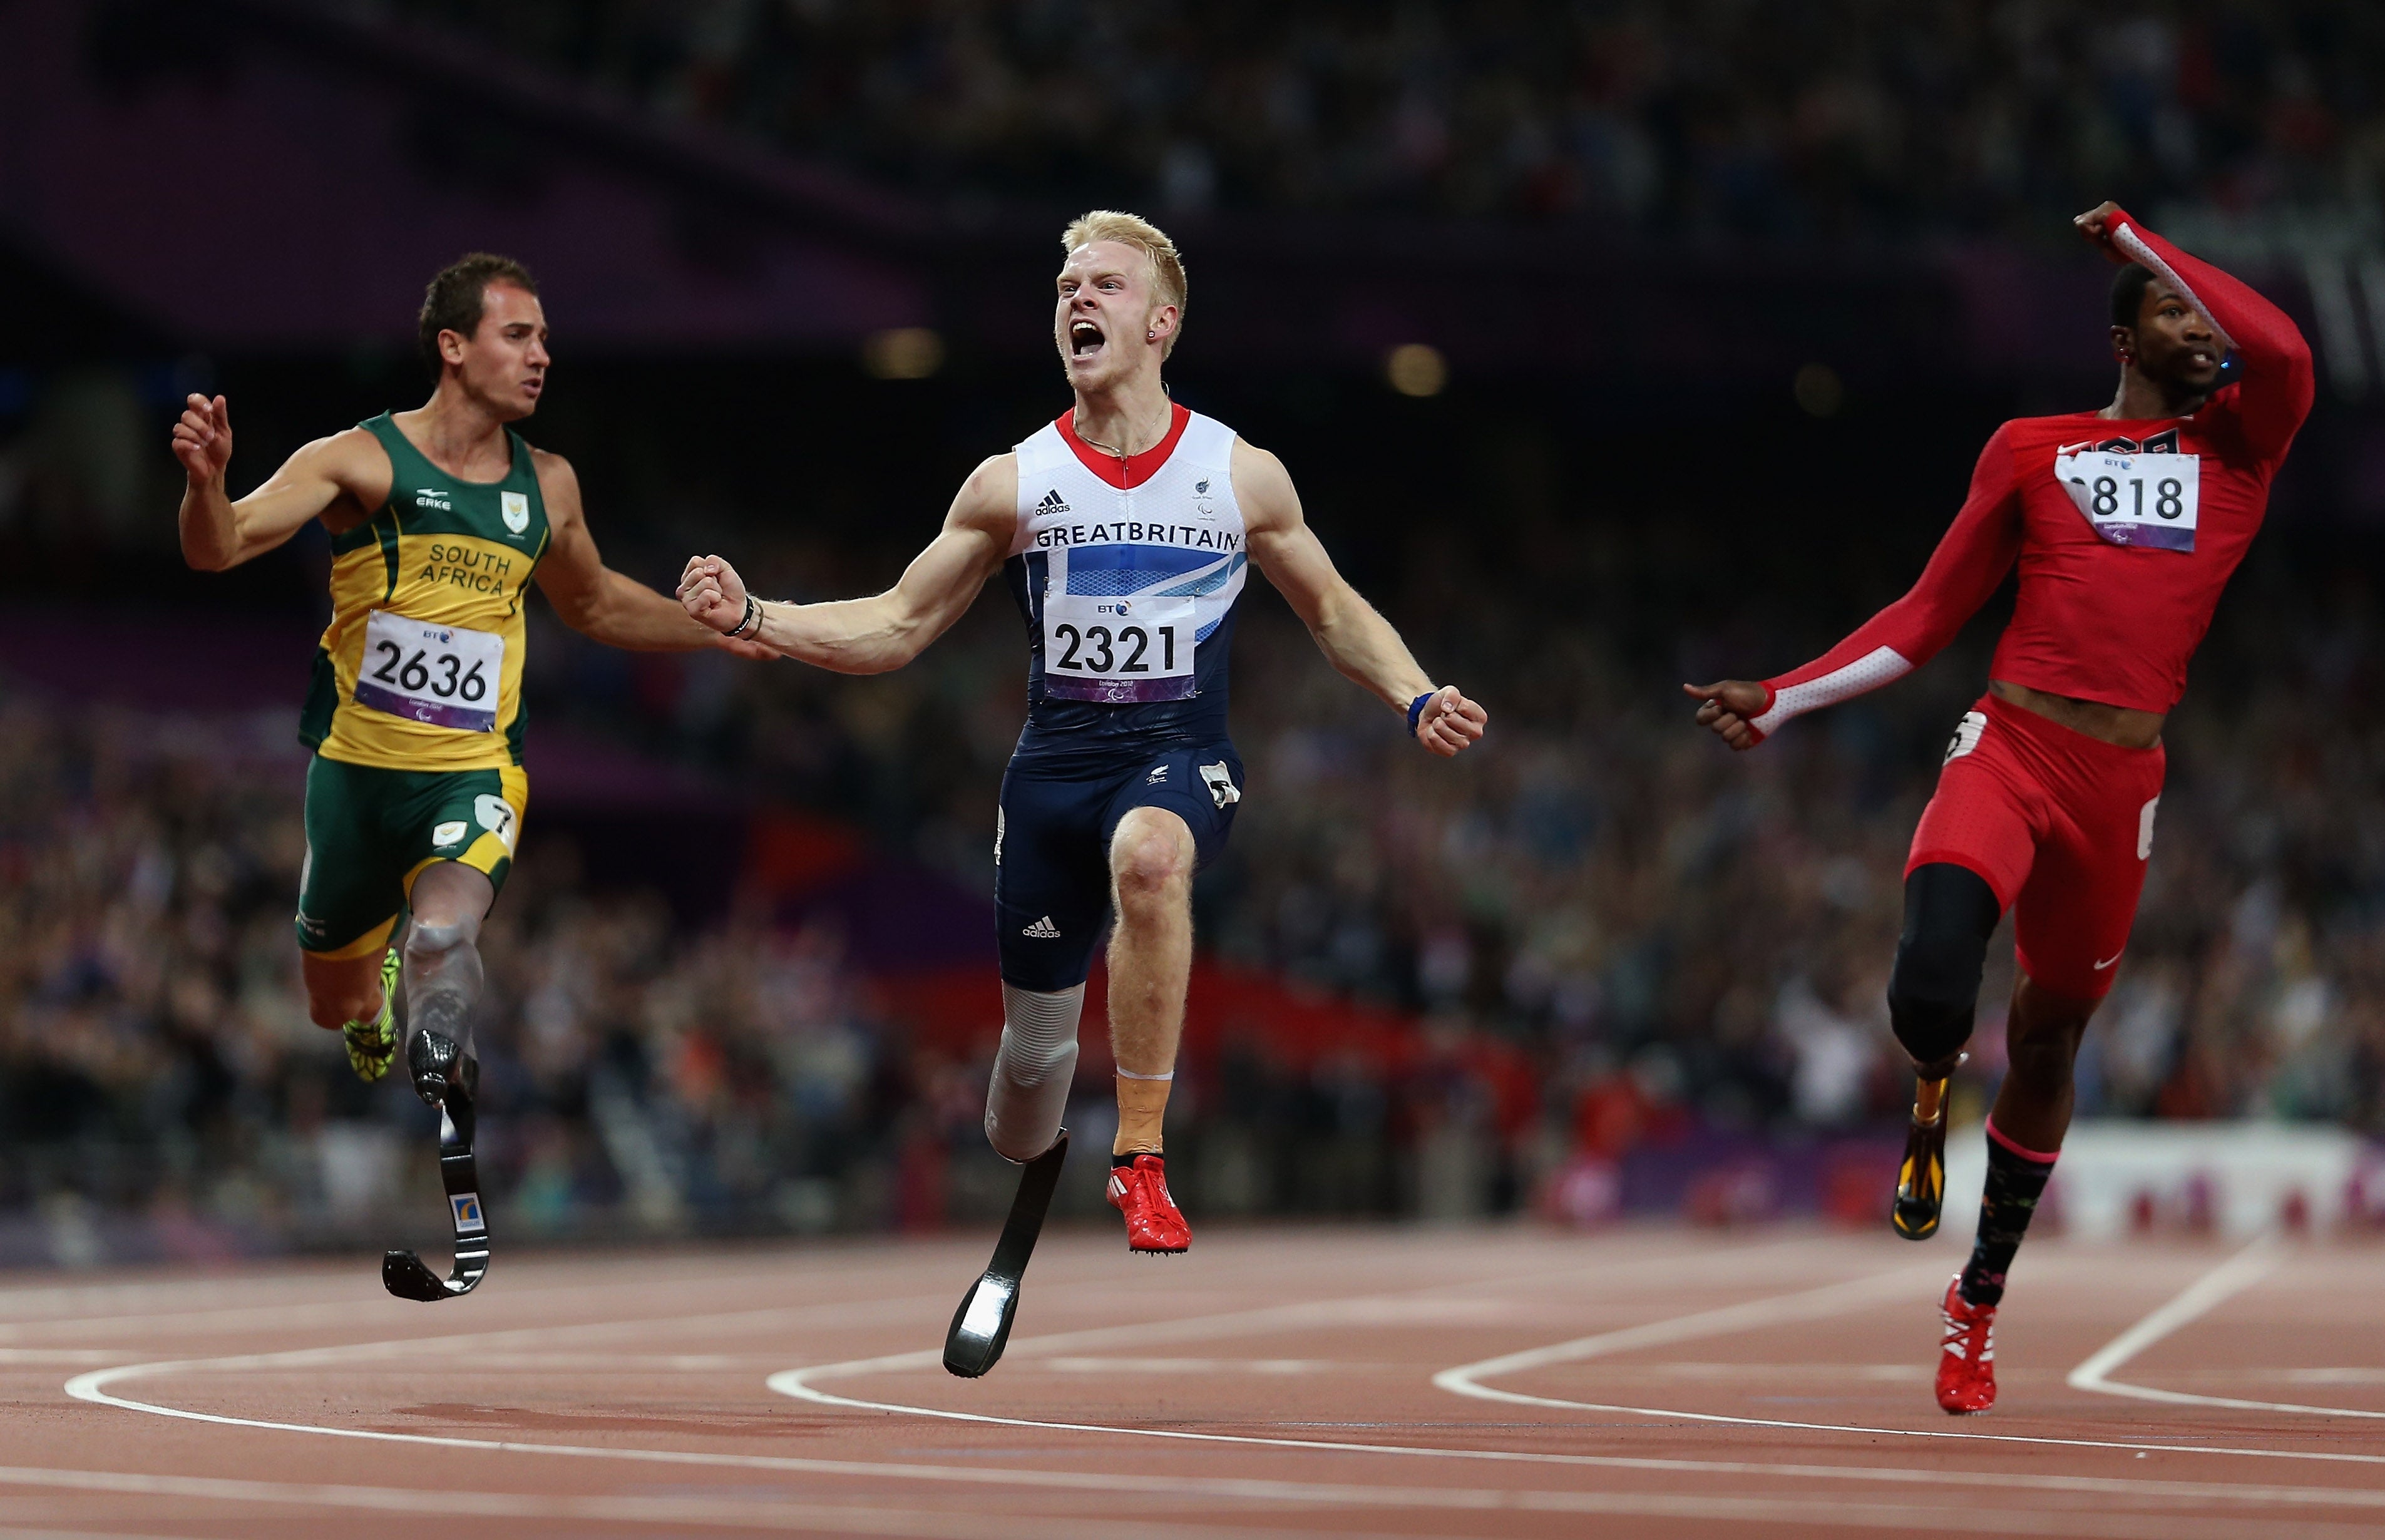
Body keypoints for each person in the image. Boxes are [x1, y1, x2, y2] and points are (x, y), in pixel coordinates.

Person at [679, 210, 1487, 1254]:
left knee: (1151, 863)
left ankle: (1140, 1156)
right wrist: (757, 618)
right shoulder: (1013, 482)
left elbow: (1331, 610)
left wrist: (1414, 696)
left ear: (1162, 322)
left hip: (1179, 753)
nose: (1076, 302)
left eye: (1102, 286)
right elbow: (895, 623)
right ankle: (1040, 1137)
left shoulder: (1238, 475)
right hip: (1051, 780)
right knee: (1027, 1080)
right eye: (1065, 288)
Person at [1684, 203, 2312, 1414]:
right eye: (2172, 313)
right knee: (1928, 984)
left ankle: (1974, 1302)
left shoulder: (2242, 448)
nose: (2203, 328)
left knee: (2046, 1043)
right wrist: (1780, 699)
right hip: (2011, 746)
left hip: (2120, 784)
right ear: (2122, 343)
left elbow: (2282, 350)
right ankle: (1930, 1087)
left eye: (2203, 312)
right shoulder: (2030, 448)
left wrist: (2148, 246)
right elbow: (1924, 619)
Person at [173, 253, 771, 1107]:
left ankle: (443, 1055)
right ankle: (371, 995)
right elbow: (215, 546)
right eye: (518, 335)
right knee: (330, 1002)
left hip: (473, 771)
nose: (541, 357)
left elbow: (593, 602)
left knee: (444, 933)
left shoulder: (548, 483)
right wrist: (207, 485)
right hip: (355, 779)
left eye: (545, 340)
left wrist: (719, 627)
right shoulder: (358, 460)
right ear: (453, 346)